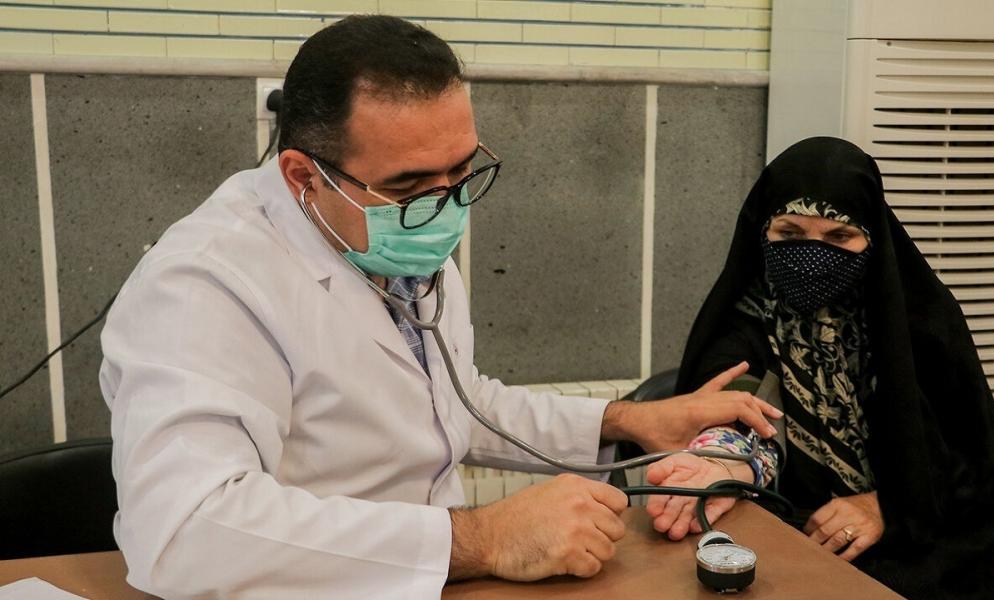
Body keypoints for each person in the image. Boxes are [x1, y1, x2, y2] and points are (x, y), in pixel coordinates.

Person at [99, 15, 781, 599]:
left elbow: (447, 402)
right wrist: (483, 539)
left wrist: (627, 420)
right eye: (409, 186)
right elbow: (183, 530)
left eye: (460, 172)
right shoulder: (202, 285)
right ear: (304, 176)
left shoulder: (382, 231)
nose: (446, 207)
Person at [645, 137, 994, 599]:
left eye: (839, 237)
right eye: (790, 234)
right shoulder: (746, 317)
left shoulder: (920, 324)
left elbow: (979, 469)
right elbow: (738, 403)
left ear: (873, 238)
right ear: (763, 231)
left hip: (919, 549)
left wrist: (886, 508)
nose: (811, 256)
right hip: (787, 545)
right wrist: (727, 465)